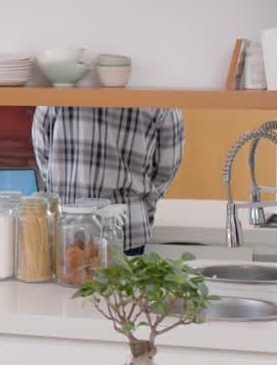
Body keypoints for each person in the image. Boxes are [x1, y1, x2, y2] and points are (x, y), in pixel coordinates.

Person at [31, 107, 185, 255]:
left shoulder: (58, 88)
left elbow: (43, 151)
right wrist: (143, 208)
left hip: (67, 227)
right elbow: (166, 168)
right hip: (128, 227)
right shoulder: (158, 93)